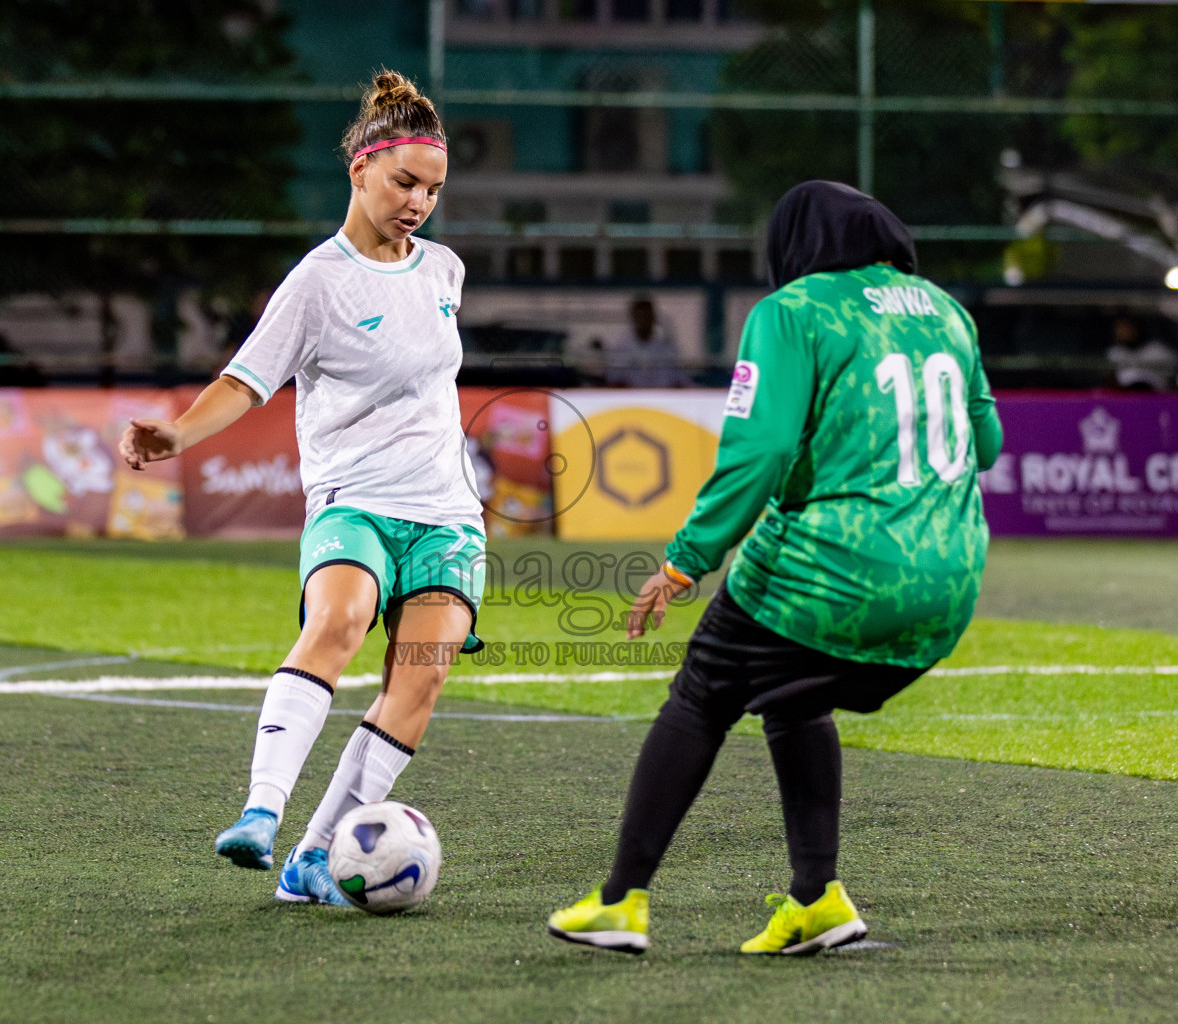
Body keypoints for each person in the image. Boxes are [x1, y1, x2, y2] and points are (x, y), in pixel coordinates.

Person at [546, 181, 1003, 955]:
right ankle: (817, 901)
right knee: (794, 696)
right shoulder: (946, 311)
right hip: (950, 587)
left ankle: (621, 902)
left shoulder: (793, 312)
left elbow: (760, 450)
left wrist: (685, 561)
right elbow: (985, 444)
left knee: (702, 694)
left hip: (833, 575)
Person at [119, 71, 485, 907]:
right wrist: (176, 432)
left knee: (419, 678)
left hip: (447, 517)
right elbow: (246, 381)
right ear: (359, 168)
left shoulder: (446, 272)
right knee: (339, 621)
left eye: (432, 188)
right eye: (404, 182)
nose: (419, 201)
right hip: (353, 501)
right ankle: (261, 811)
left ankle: (316, 857)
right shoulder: (317, 282)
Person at [602, 297, 691, 388]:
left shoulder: (667, 349)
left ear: (653, 318)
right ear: (633, 317)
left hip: (662, 399)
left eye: (647, 316)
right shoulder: (620, 349)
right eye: (640, 316)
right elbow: (612, 381)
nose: (643, 320)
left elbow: (682, 381)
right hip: (631, 400)